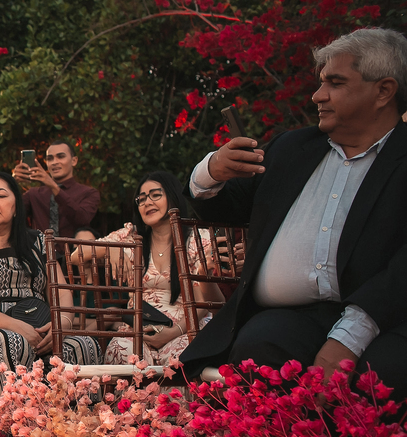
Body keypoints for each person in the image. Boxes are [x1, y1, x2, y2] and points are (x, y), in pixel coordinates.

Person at [180, 27, 407, 397]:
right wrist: (212, 170)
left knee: (383, 373)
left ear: (383, 91)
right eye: (320, 82)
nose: (318, 95)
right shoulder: (292, 148)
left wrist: (349, 338)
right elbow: (224, 205)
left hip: (384, 315)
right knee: (259, 349)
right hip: (289, 319)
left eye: (335, 83)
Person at [0, 172, 99, 393]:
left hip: (38, 325)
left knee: (83, 346)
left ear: (16, 206)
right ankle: (9, 424)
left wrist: (60, 325)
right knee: (12, 343)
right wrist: (19, 328)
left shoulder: (38, 241)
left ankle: (76, 423)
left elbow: (61, 292)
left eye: (0, 195)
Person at [69, 172, 223, 366]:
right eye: (141, 199)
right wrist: (113, 247)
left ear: (173, 197)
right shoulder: (131, 237)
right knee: (121, 350)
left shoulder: (197, 239)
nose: (147, 202)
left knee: (181, 357)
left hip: (185, 327)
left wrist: (173, 333)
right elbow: (76, 255)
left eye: (155, 195)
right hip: (138, 329)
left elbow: (203, 303)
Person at [12, 140, 100, 238]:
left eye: (61, 157)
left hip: (73, 251)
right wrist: (12, 184)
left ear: (74, 161)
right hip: (39, 251)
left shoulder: (89, 193)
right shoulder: (34, 194)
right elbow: (11, 215)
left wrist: (53, 186)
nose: (54, 162)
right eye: (50, 159)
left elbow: (82, 219)